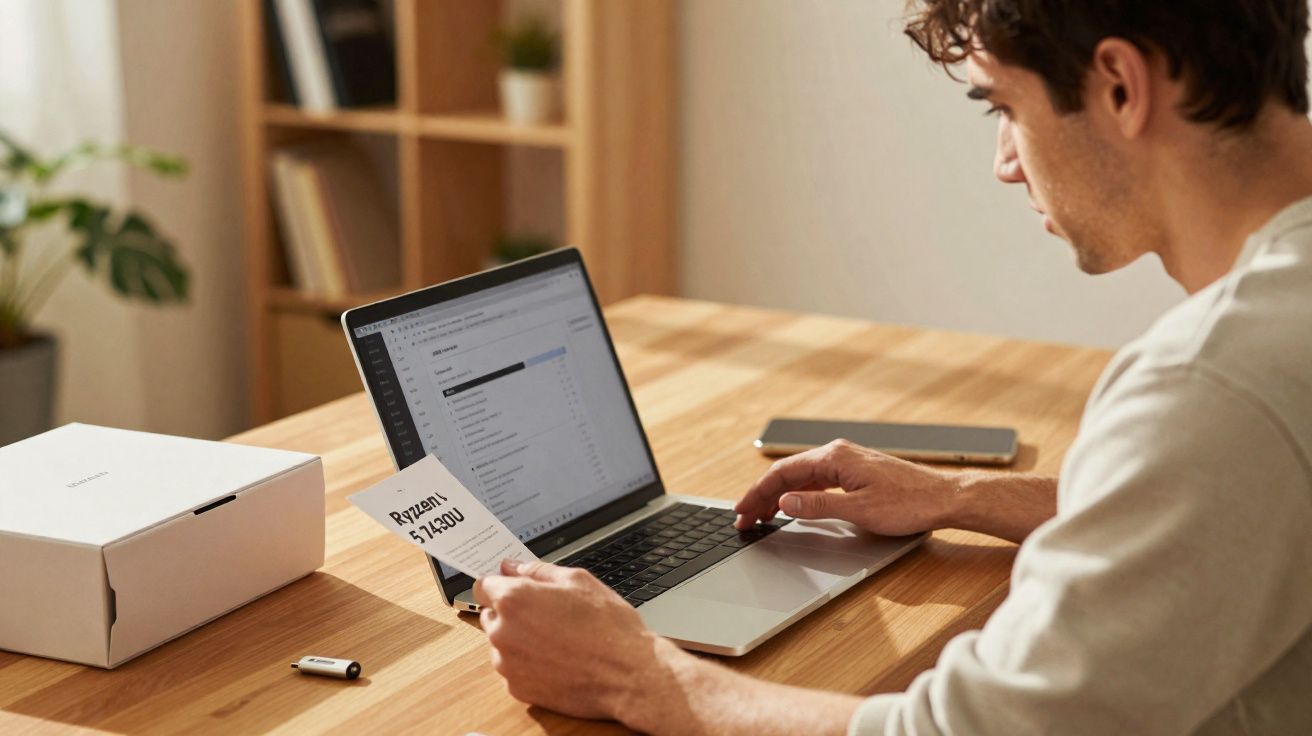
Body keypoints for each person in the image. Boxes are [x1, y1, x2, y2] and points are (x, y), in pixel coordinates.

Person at [472, 1, 1312, 732]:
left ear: (1121, 87)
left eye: (1004, 106)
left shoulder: (1209, 381)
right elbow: (1242, 496)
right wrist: (963, 497)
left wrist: (638, 676)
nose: (1007, 163)